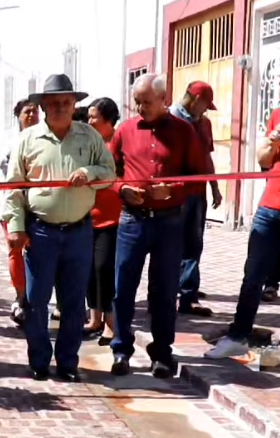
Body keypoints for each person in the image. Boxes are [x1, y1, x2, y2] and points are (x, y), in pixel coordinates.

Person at [206, 55, 280, 368]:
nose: (279, 80)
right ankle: (237, 335)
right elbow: (262, 158)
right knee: (253, 272)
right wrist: (272, 145)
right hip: (269, 205)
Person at [3, 76, 115, 382]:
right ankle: (39, 360)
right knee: (37, 301)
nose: (60, 108)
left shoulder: (89, 137)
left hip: (79, 232)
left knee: (74, 302)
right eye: (53, 103)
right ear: (43, 106)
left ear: (74, 104)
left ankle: (67, 363)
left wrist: (90, 173)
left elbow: (109, 174)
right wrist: (16, 226)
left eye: (66, 102)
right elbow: (13, 187)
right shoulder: (27, 140)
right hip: (40, 232)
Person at [110, 73, 207, 379]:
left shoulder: (184, 131)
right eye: (136, 102)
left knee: (164, 291)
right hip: (132, 221)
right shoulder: (124, 130)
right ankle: (121, 349)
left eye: (147, 102)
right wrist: (121, 189)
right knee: (123, 287)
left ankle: (161, 352)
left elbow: (198, 176)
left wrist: (173, 190)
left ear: (164, 100)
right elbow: (110, 171)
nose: (140, 108)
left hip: (169, 222)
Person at [171, 81, 221, 317]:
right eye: (205, 106)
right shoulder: (171, 120)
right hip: (175, 193)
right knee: (171, 245)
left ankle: (188, 294)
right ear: (195, 100)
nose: (205, 111)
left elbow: (207, 158)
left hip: (197, 193)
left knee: (194, 243)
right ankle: (165, 293)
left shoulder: (204, 124)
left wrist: (215, 187)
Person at [84, 98, 123, 344]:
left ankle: (111, 323)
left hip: (112, 218)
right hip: (87, 216)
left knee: (104, 269)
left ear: (108, 120)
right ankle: (94, 318)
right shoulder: (87, 143)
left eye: (94, 117)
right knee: (89, 271)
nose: (89, 122)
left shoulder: (119, 144)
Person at [1, 99, 40, 326]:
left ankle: (36, 298)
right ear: (18, 116)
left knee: (36, 253)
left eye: (36, 111)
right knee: (15, 252)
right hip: (13, 205)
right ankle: (20, 296)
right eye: (27, 111)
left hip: (37, 208)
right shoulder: (12, 142)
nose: (32, 115)